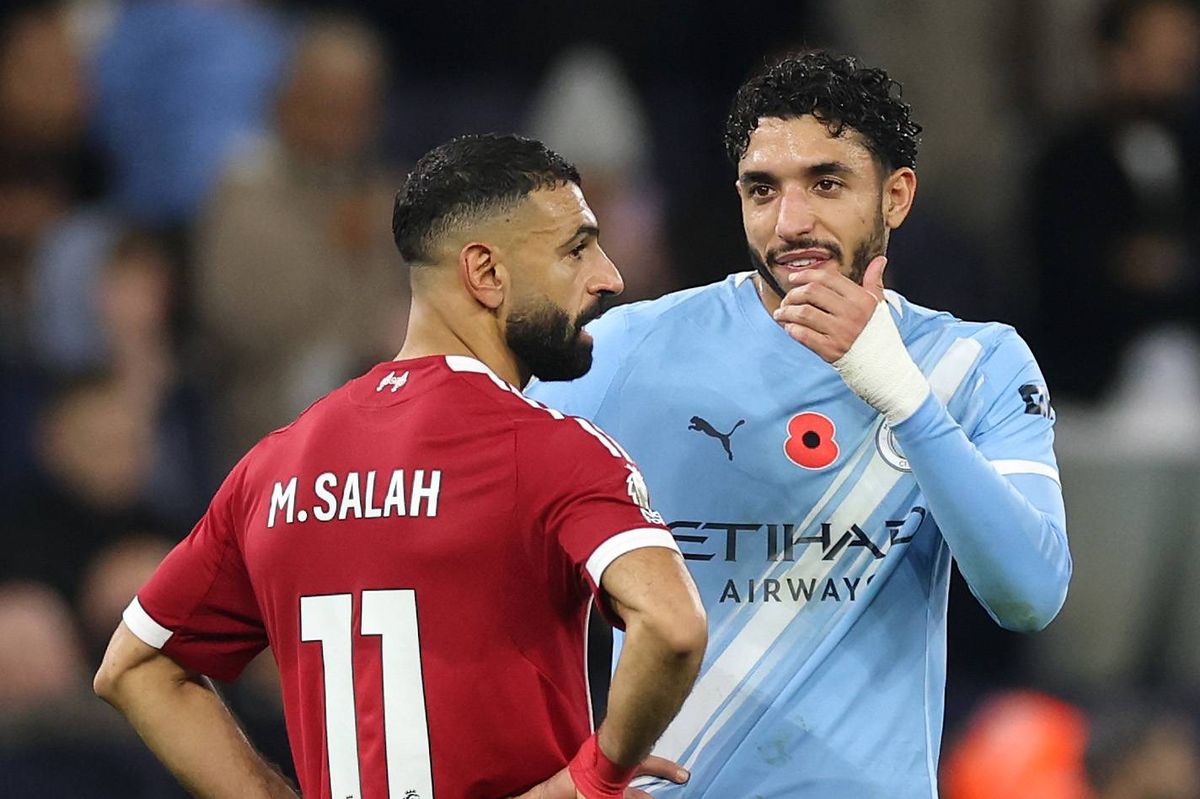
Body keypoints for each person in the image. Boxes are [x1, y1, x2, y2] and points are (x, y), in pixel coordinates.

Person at [94, 134, 708, 799]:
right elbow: (672, 626)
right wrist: (596, 776)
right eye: (577, 249)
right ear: (487, 273)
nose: (609, 276)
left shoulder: (275, 465)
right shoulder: (551, 450)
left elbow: (136, 667)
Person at [529, 50, 1072, 797]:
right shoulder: (626, 350)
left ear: (896, 195)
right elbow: (472, 537)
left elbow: (1030, 593)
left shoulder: (972, 364)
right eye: (763, 190)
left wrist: (907, 402)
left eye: (826, 183)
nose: (792, 223)